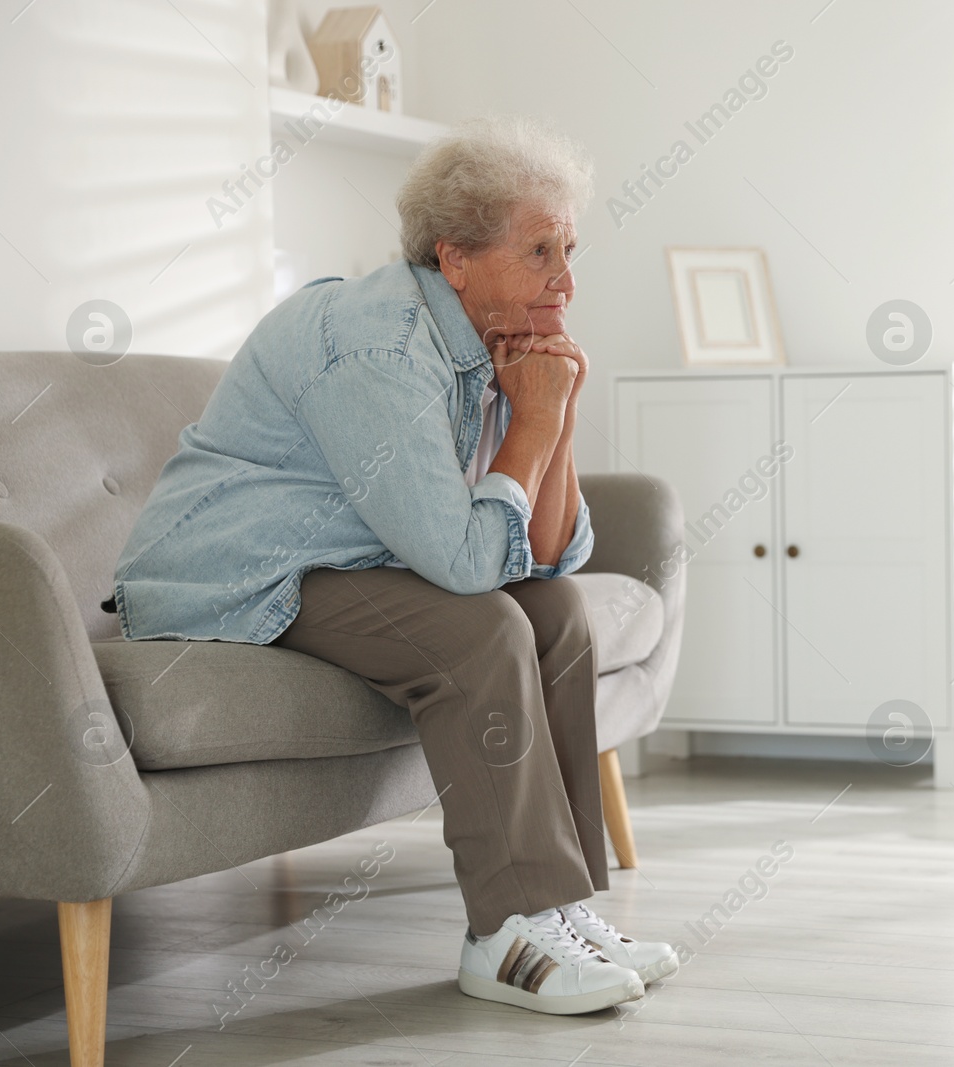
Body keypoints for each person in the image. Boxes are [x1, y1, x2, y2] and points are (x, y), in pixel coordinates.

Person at [111, 116, 675, 1015]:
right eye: (539, 252)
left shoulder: (487, 338)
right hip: (237, 573)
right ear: (455, 260)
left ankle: (558, 907)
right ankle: (505, 932)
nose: (566, 282)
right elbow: (463, 563)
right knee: (484, 628)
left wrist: (554, 413)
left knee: (556, 611)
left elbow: (555, 550)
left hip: (347, 560)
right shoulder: (378, 343)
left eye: (569, 250)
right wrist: (529, 427)